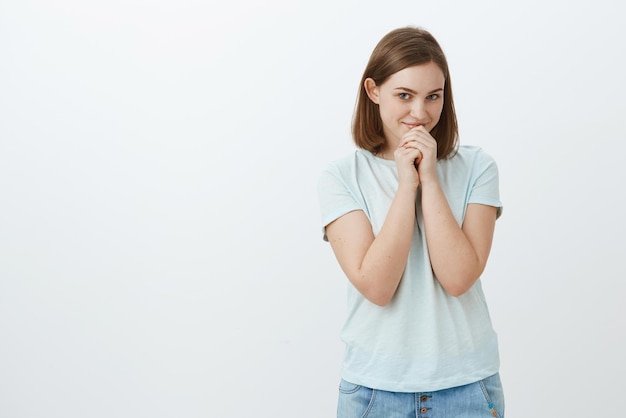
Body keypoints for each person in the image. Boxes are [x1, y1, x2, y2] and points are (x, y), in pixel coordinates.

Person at [317, 26, 505, 417]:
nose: (420, 113)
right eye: (404, 95)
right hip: (374, 390)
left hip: (467, 385)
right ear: (373, 91)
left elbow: (458, 278)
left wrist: (431, 178)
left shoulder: (477, 167)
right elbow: (377, 286)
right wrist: (407, 185)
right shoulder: (341, 176)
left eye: (433, 96)